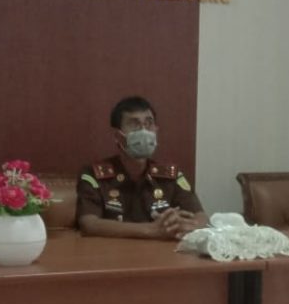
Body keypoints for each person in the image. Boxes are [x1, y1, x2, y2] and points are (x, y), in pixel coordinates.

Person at [75, 96, 208, 240]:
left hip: (162, 253)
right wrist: (151, 230)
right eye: (134, 124)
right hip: (112, 252)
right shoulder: (94, 174)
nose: (144, 130)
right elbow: (89, 224)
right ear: (118, 136)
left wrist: (184, 226)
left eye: (149, 123)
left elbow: (201, 218)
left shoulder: (171, 175)